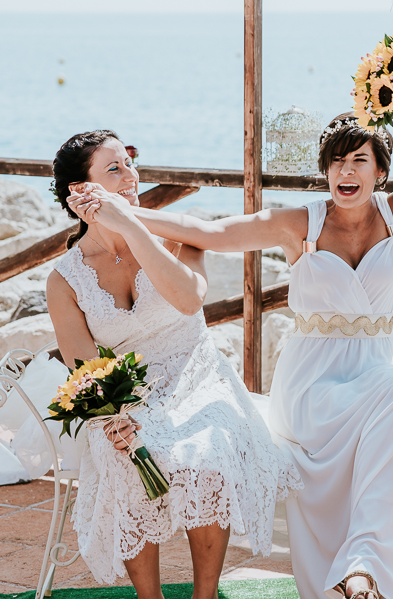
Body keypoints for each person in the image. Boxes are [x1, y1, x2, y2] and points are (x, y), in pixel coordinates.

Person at [70, 79, 393, 599]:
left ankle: (364, 568)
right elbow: (206, 233)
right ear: (325, 172)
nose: (346, 171)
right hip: (314, 385)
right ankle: (362, 567)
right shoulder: (297, 223)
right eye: (337, 163)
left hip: (378, 373)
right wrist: (121, 213)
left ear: (380, 172)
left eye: (359, 161)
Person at [36, 130, 299, 599]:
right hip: (126, 395)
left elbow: (187, 298)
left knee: (209, 456)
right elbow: (85, 368)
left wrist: (133, 226)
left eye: (131, 164)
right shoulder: (65, 279)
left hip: (197, 375)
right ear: (81, 192)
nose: (130, 177)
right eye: (113, 169)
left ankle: (205, 595)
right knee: (123, 463)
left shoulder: (176, 236)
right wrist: (112, 420)